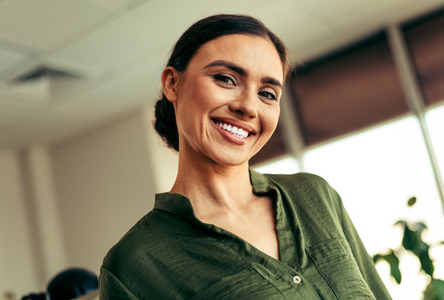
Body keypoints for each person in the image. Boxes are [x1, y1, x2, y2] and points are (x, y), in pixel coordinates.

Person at [99, 14, 392, 299]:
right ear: (172, 84)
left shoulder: (315, 195)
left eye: (267, 93)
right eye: (226, 79)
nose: (249, 107)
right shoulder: (135, 264)